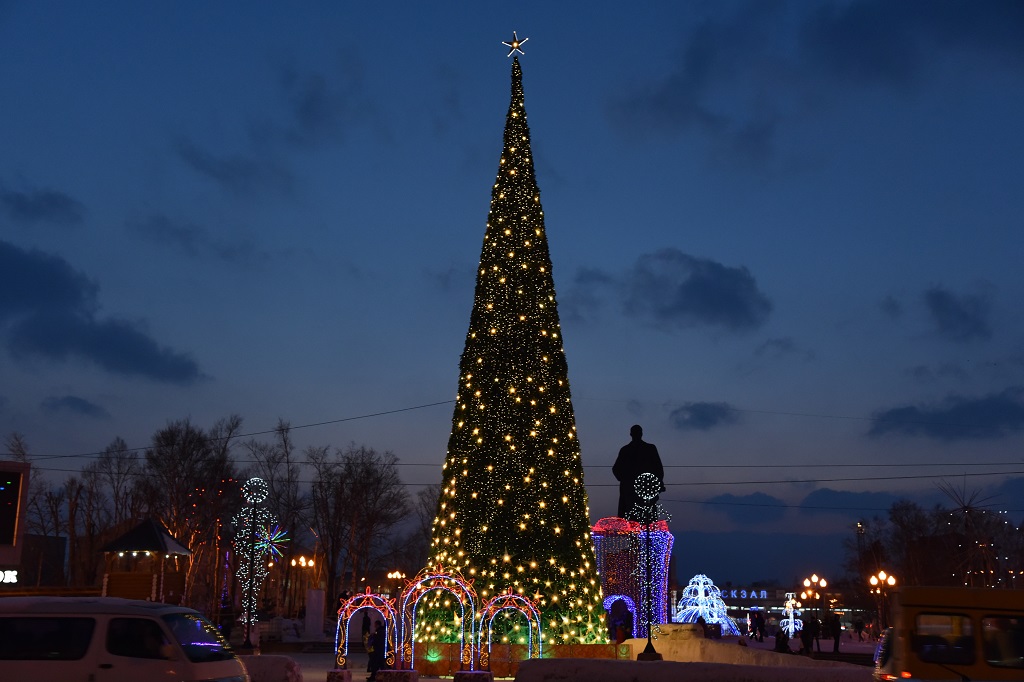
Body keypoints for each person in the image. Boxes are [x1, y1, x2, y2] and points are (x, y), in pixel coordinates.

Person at [612, 425, 665, 520]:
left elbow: (658, 469)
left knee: (643, 520)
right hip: (635, 492)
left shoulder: (647, 448)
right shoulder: (627, 450)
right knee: (637, 520)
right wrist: (625, 480)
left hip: (643, 491)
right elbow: (616, 469)